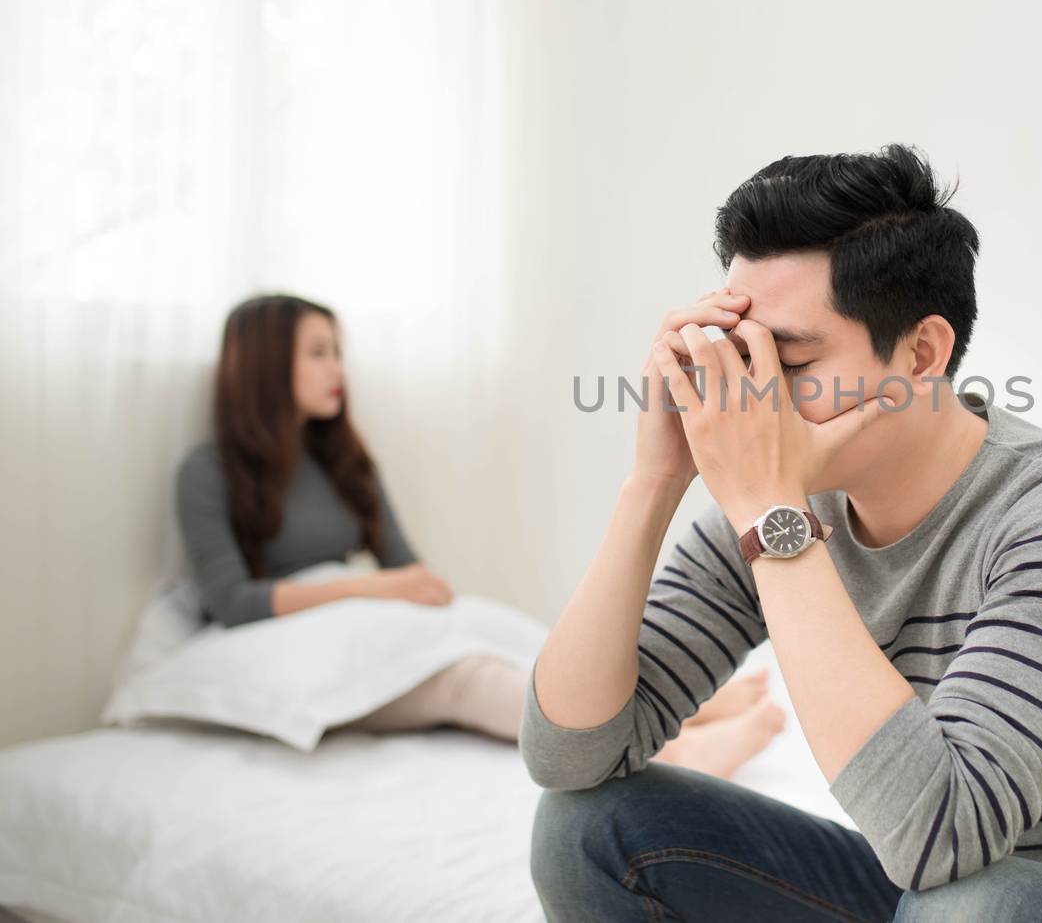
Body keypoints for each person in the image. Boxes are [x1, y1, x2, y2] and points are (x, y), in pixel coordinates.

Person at [521, 145, 1042, 922]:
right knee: (585, 828)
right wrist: (651, 484)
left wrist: (766, 508)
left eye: (789, 360)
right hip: (915, 885)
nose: (748, 395)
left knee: (970, 910)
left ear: (922, 353)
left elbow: (944, 840)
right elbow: (567, 756)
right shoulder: (781, 499)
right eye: (735, 354)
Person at [174, 293, 785, 776]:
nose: (337, 368)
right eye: (317, 353)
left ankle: (668, 707)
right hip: (291, 646)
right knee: (462, 676)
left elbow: (407, 570)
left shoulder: (344, 462)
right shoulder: (208, 472)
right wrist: (378, 592)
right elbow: (232, 601)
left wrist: (403, 590)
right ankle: (674, 754)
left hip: (363, 617)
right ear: (262, 362)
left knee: (497, 631)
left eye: (336, 350)